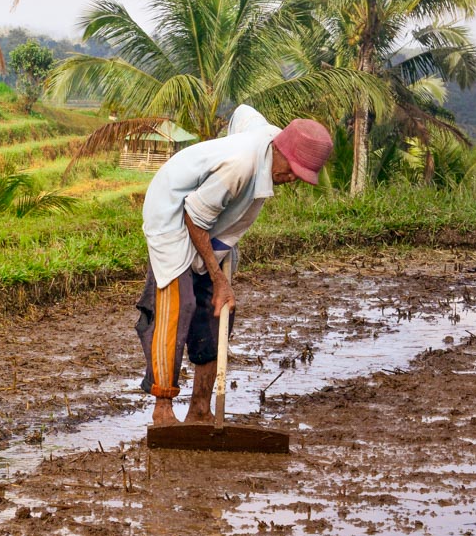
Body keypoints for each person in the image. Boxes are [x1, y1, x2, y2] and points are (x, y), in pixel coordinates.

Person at [136, 105, 334, 426]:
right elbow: (193, 216)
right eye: (293, 171)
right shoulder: (240, 166)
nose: (290, 179)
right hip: (173, 213)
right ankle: (163, 410)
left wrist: (219, 284)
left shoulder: (267, 136)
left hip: (210, 225)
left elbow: (243, 112)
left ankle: (200, 408)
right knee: (178, 305)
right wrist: (218, 277)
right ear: (281, 150)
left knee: (218, 311)